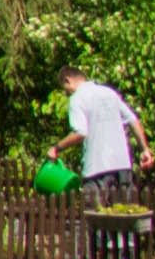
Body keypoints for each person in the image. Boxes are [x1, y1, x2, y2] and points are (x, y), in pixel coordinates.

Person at [56, 65, 148, 195]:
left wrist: (56, 148)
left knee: (96, 213)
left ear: (67, 80)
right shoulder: (109, 93)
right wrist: (145, 149)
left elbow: (80, 133)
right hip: (122, 166)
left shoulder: (77, 98)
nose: (66, 93)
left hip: (97, 168)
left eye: (64, 88)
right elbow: (133, 120)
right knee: (124, 211)